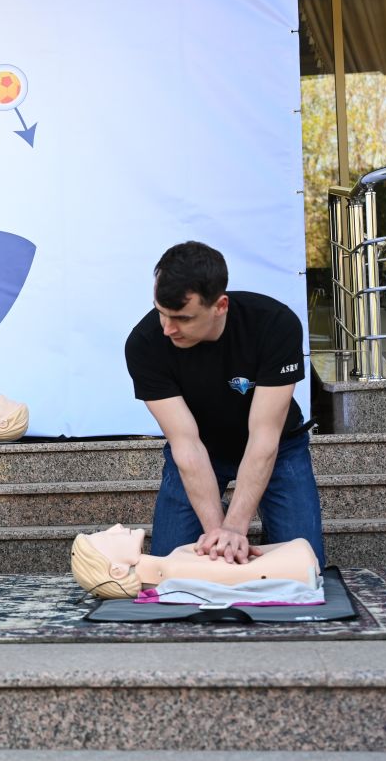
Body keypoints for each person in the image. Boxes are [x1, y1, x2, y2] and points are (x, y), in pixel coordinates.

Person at [124, 241, 325, 567]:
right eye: (161, 312)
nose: (168, 328)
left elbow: (264, 437)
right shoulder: (144, 343)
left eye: (182, 318)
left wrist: (234, 528)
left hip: (278, 447)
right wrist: (219, 535)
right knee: (169, 568)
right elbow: (186, 444)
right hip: (200, 448)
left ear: (220, 306)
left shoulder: (275, 324)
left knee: (305, 567)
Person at [71, 524, 322, 599]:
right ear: (117, 570)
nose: (116, 527)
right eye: (106, 536)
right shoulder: (173, 570)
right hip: (298, 564)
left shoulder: (172, 563)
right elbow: (295, 564)